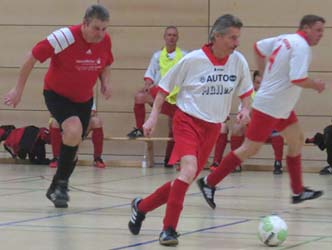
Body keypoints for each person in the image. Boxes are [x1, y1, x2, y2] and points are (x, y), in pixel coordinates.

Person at [128, 14, 253, 246]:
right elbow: (163, 89)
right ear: (217, 36)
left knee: (185, 179)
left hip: (213, 127)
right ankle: (169, 230)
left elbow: (247, 92)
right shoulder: (193, 60)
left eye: (238, 38)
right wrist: (153, 117)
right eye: (232, 38)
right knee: (188, 171)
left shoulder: (238, 61)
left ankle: (141, 207)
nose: (236, 43)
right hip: (187, 121)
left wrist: (245, 110)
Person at [197, 15, 326, 210]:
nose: (321, 35)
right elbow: (298, 79)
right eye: (318, 30)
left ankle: (298, 191)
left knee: (297, 140)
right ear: (306, 29)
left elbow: (258, 47)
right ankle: (209, 182)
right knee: (249, 149)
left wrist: (264, 74)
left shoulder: (285, 39)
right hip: (270, 106)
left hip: (281, 105)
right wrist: (315, 84)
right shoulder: (302, 47)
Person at [3, 4, 113, 208]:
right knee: (73, 130)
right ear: (85, 23)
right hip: (57, 95)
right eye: (97, 28)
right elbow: (31, 58)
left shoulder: (104, 40)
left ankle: (55, 187)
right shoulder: (64, 37)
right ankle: (62, 185)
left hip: (84, 99)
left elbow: (105, 63)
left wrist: (105, 82)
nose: (101, 33)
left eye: (104, 29)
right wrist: (17, 90)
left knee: (74, 144)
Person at [126, 26, 187, 168]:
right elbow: (150, 75)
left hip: (177, 97)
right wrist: (147, 84)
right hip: (160, 93)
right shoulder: (157, 55)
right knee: (139, 97)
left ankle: (169, 159)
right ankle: (140, 129)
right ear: (164, 37)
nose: (171, 37)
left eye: (174, 35)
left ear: (177, 38)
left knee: (174, 128)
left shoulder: (185, 55)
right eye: (169, 35)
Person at [210, 70, 284, 174]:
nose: (260, 85)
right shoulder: (248, 95)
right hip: (252, 127)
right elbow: (242, 115)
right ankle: (235, 163)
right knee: (237, 127)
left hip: (268, 129)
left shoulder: (273, 94)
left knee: (278, 130)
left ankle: (278, 163)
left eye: (262, 83)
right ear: (253, 83)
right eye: (258, 82)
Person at [49, 102, 106, 169]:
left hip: (83, 125)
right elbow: (55, 112)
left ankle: (97, 158)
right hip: (67, 126)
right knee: (55, 122)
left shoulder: (87, 94)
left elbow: (92, 113)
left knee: (97, 121)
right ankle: (56, 157)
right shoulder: (63, 94)